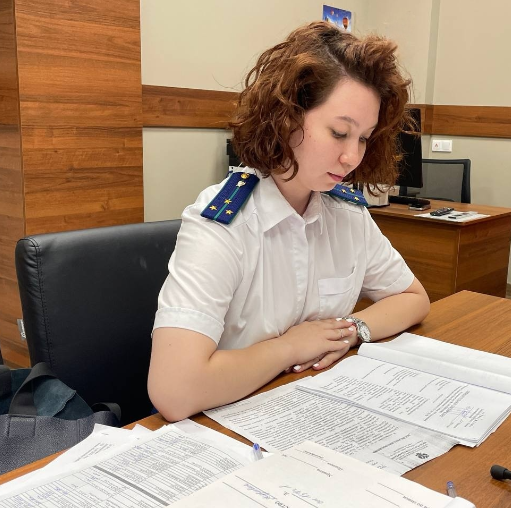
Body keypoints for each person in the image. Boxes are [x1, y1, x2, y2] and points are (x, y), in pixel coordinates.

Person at [148, 21, 430, 422]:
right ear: (287, 118)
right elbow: (173, 392)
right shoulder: (222, 224)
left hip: (311, 406)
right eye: (339, 132)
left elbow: (414, 299)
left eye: (364, 138)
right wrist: (291, 347)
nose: (352, 157)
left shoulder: (346, 213)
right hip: (227, 420)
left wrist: (351, 330)